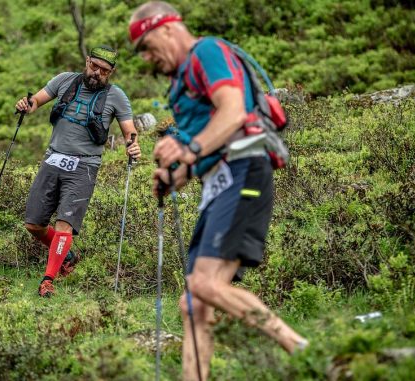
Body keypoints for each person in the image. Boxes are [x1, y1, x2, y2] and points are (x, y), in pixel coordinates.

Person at [128, 2, 308, 380]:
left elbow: (233, 112)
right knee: (193, 304)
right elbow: (208, 142)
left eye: (146, 45)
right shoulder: (180, 83)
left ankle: (303, 350)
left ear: (166, 28)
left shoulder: (205, 51)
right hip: (218, 183)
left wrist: (189, 149)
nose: (147, 57)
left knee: (204, 284)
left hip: (244, 170)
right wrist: (176, 173)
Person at [15, 45, 141, 298]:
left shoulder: (116, 96)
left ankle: (48, 280)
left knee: (64, 225)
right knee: (33, 225)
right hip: (53, 159)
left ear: (111, 72)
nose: (97, 73)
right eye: (94, 66)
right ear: (87, 61)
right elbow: (36, 101)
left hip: (84, 166)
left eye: (104, 70)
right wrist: (26, 105)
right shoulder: (64, 80)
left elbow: (130, 132)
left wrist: (133, 146)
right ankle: (67, 254)